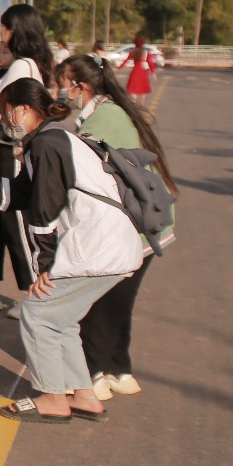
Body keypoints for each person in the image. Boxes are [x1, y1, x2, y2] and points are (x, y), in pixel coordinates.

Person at [0, 78, 143, 424]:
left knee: (39, 313)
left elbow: (44, 211)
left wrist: (44, 267)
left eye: (5, 112)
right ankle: (84, 396)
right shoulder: (49, 139)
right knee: (60, 319)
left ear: (24, 111)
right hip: (110, 247)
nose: (3, 120)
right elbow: (16, 197)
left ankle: (53, 398)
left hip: (98, 248)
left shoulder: (46, 144)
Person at [65, 54, 178, 400]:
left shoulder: (103, 119)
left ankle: (95, 374)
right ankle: (120, 369)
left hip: (132, 226)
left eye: (62, 84)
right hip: (145, 222)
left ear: (80, 87)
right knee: (118, 300)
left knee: (99, 300)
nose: (60, 92)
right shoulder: (110, 110)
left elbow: (80, 171)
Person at [0, 4, 56, 316]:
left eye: (3, 28)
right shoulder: (24, 64)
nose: (0, 35)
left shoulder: (23, 66)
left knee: (15, 223)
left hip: (12, 153)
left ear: (15, 30)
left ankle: (34, 294)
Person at [118, 36, 159, 104]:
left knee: (134, 90)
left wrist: (118, 68)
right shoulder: (146, 53)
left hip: (135, 72)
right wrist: (153, 73)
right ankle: (141, 105)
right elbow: (150, 63)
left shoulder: (133, 52)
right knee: (143, 90)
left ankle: (134, 105)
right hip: (143, 72)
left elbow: (126, 61)